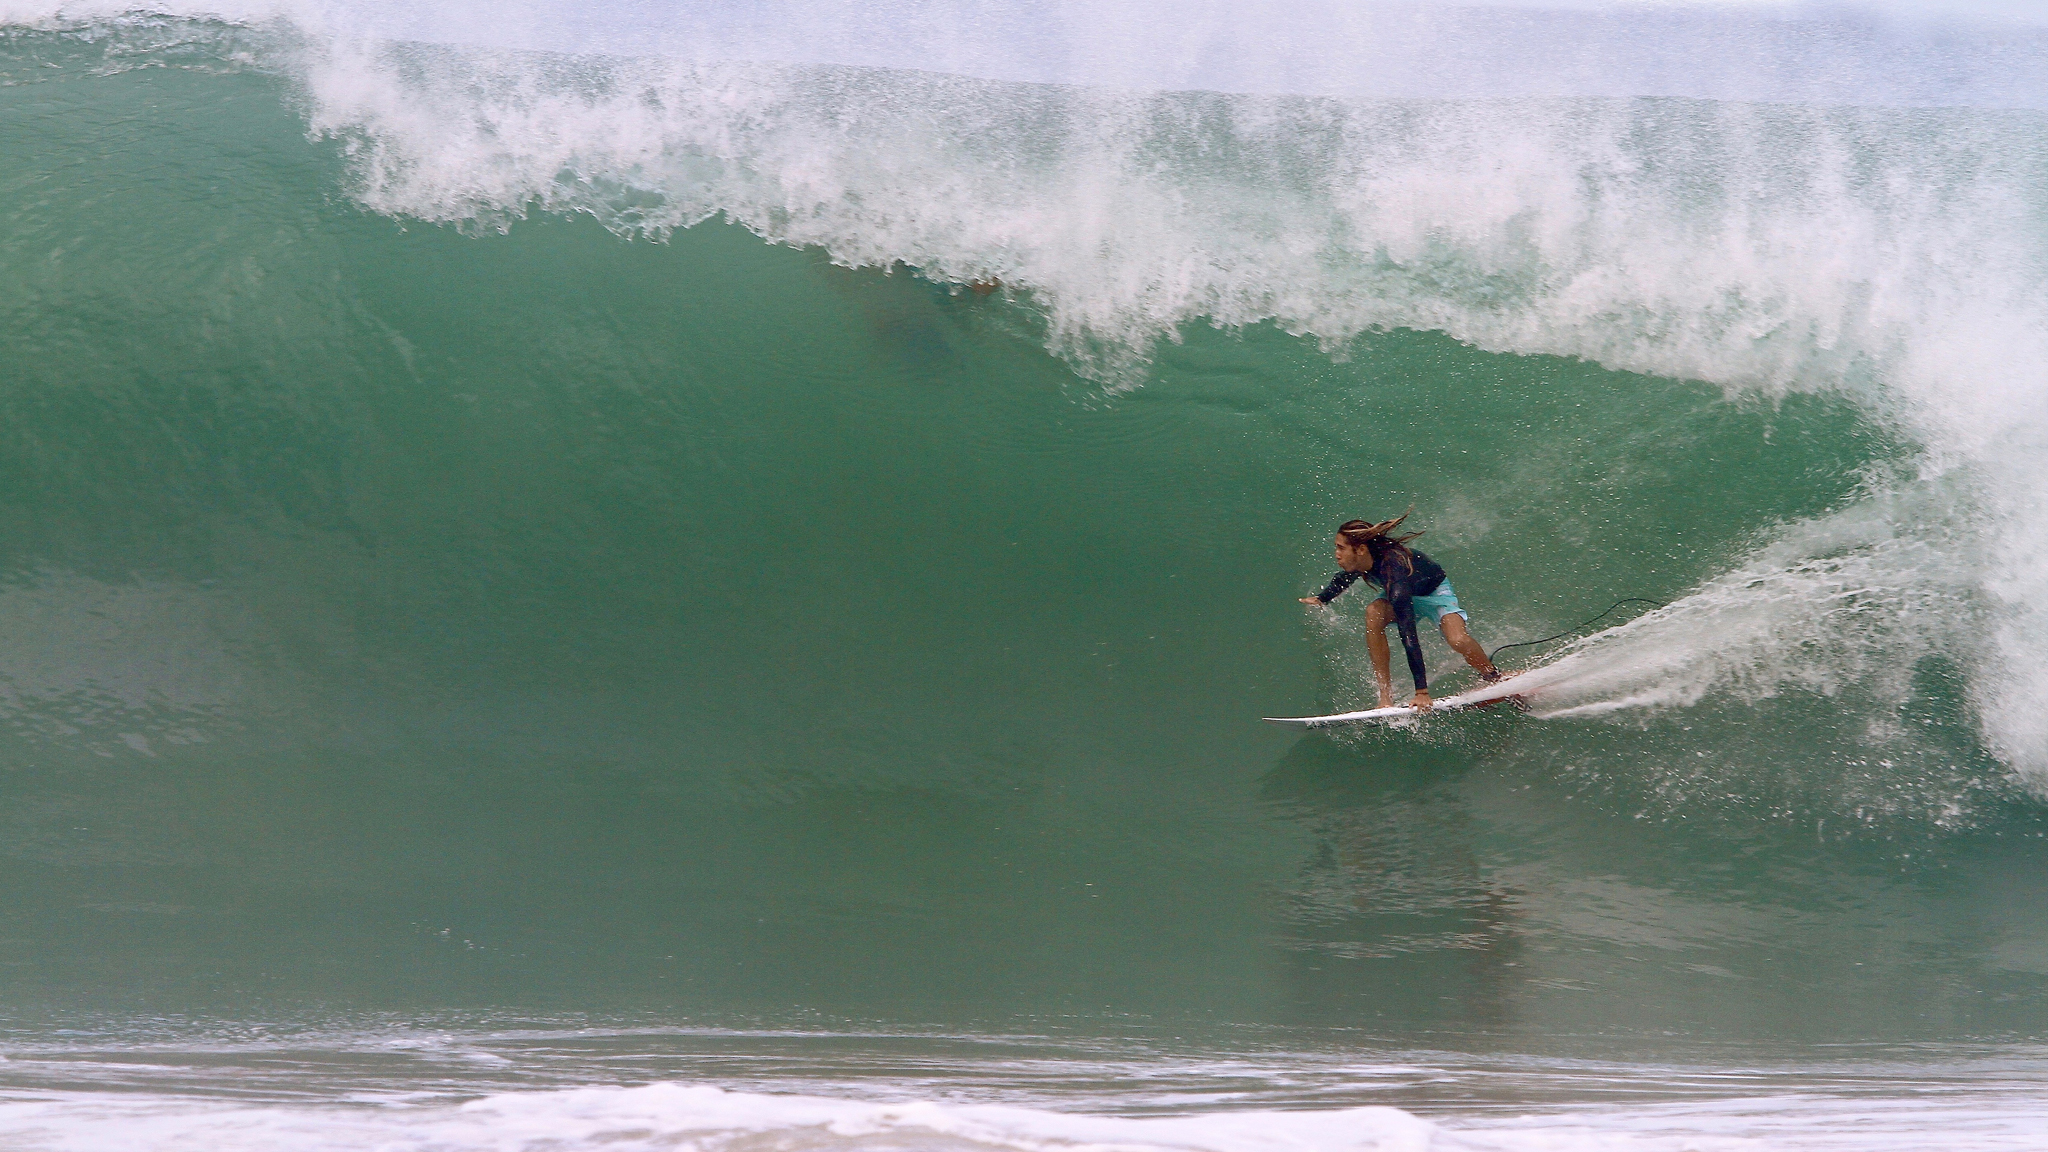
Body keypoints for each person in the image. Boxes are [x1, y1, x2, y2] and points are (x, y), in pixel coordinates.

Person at [1298, 512, 1509, 711]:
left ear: (1360, 549)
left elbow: (1409, 635)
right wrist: (1322, 598)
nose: (1337, 554)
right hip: (1403, 592)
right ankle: (1385, 696)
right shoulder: (1363, 561)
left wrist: (1422, 692)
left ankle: (1492, 676)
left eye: (1340, 548)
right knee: (1374, 613)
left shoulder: (1393, 569)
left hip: (1435, 593)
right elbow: (1344, 577)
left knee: (1458, 640)